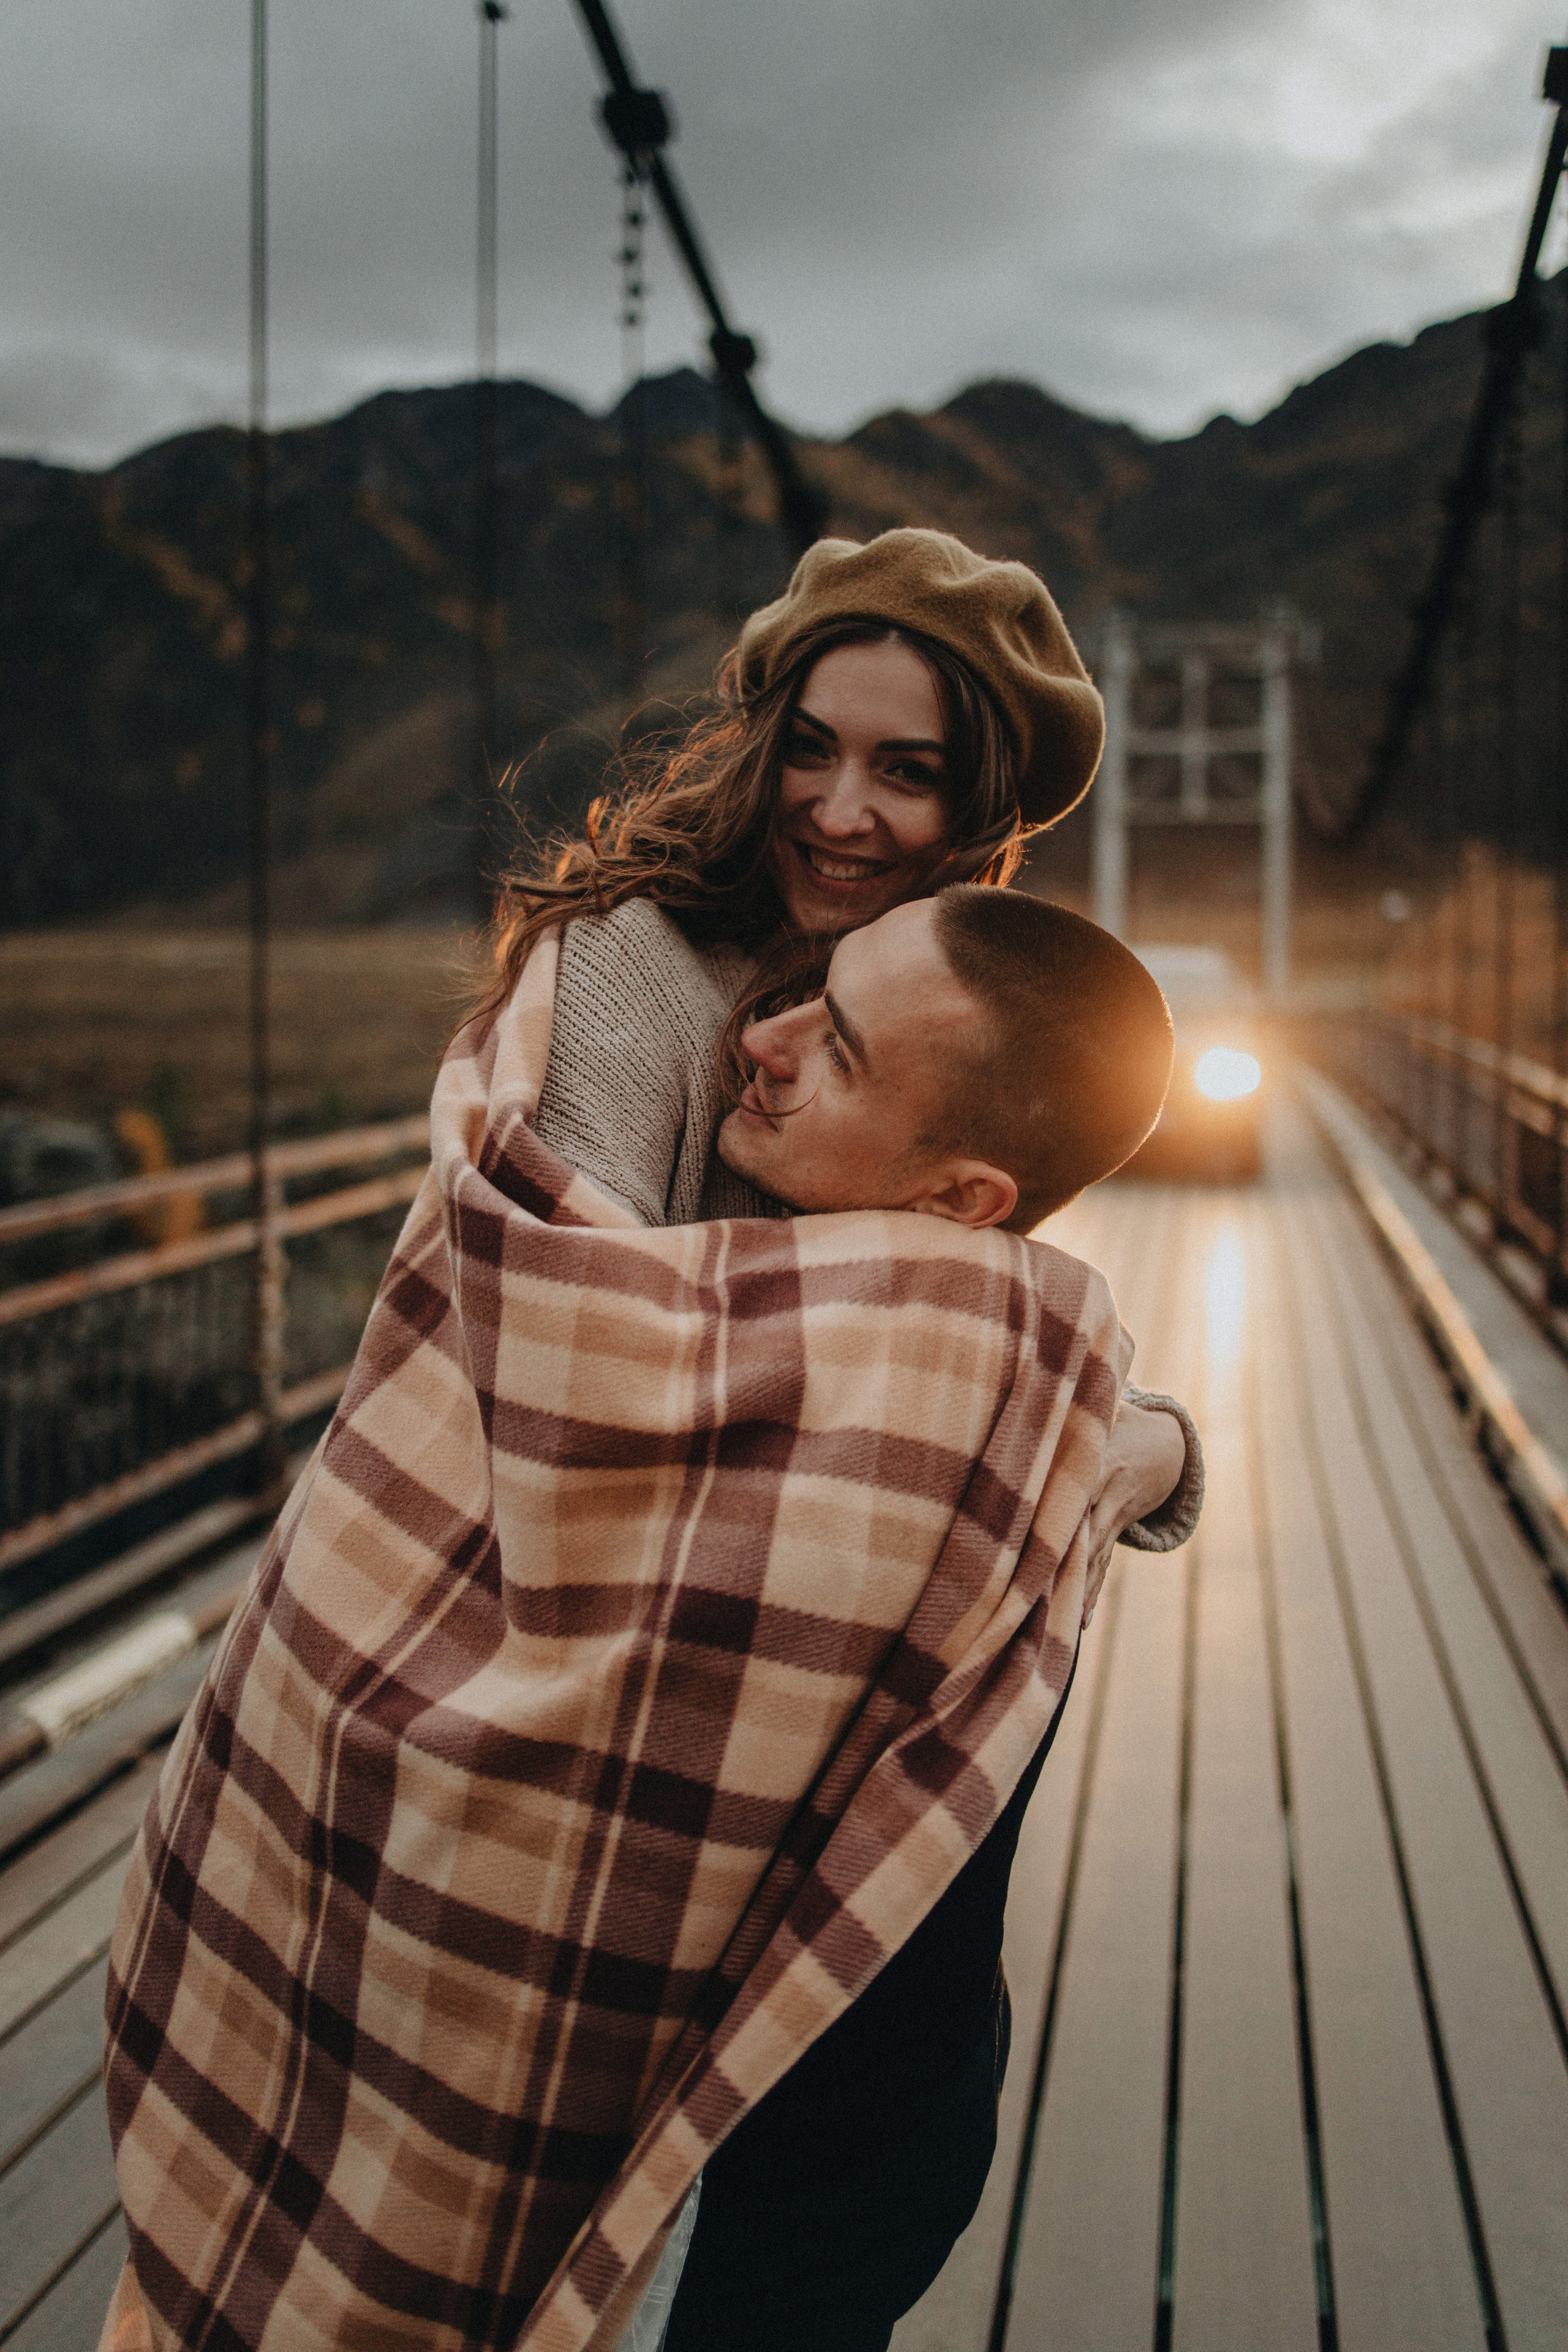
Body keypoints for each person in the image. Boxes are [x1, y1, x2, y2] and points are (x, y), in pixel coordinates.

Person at [100, 885, 1175, 2352]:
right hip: (867, 2136)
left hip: (782, 2185)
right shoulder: (1052, 1392)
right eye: (802, 991)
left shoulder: (981, 1397)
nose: (768, 1039)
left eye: (840, 1049)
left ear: (962, 1203)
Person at [488, 528, 1200, 2340]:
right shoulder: (641, 984)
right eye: (812, 744)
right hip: (625, 1865)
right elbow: (579, 1361)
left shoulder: (946, 994)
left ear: (983, 818)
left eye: (909, 770)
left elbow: (1007, 1331)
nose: (841, 807)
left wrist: (1147, 1449)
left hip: (872, 1988)